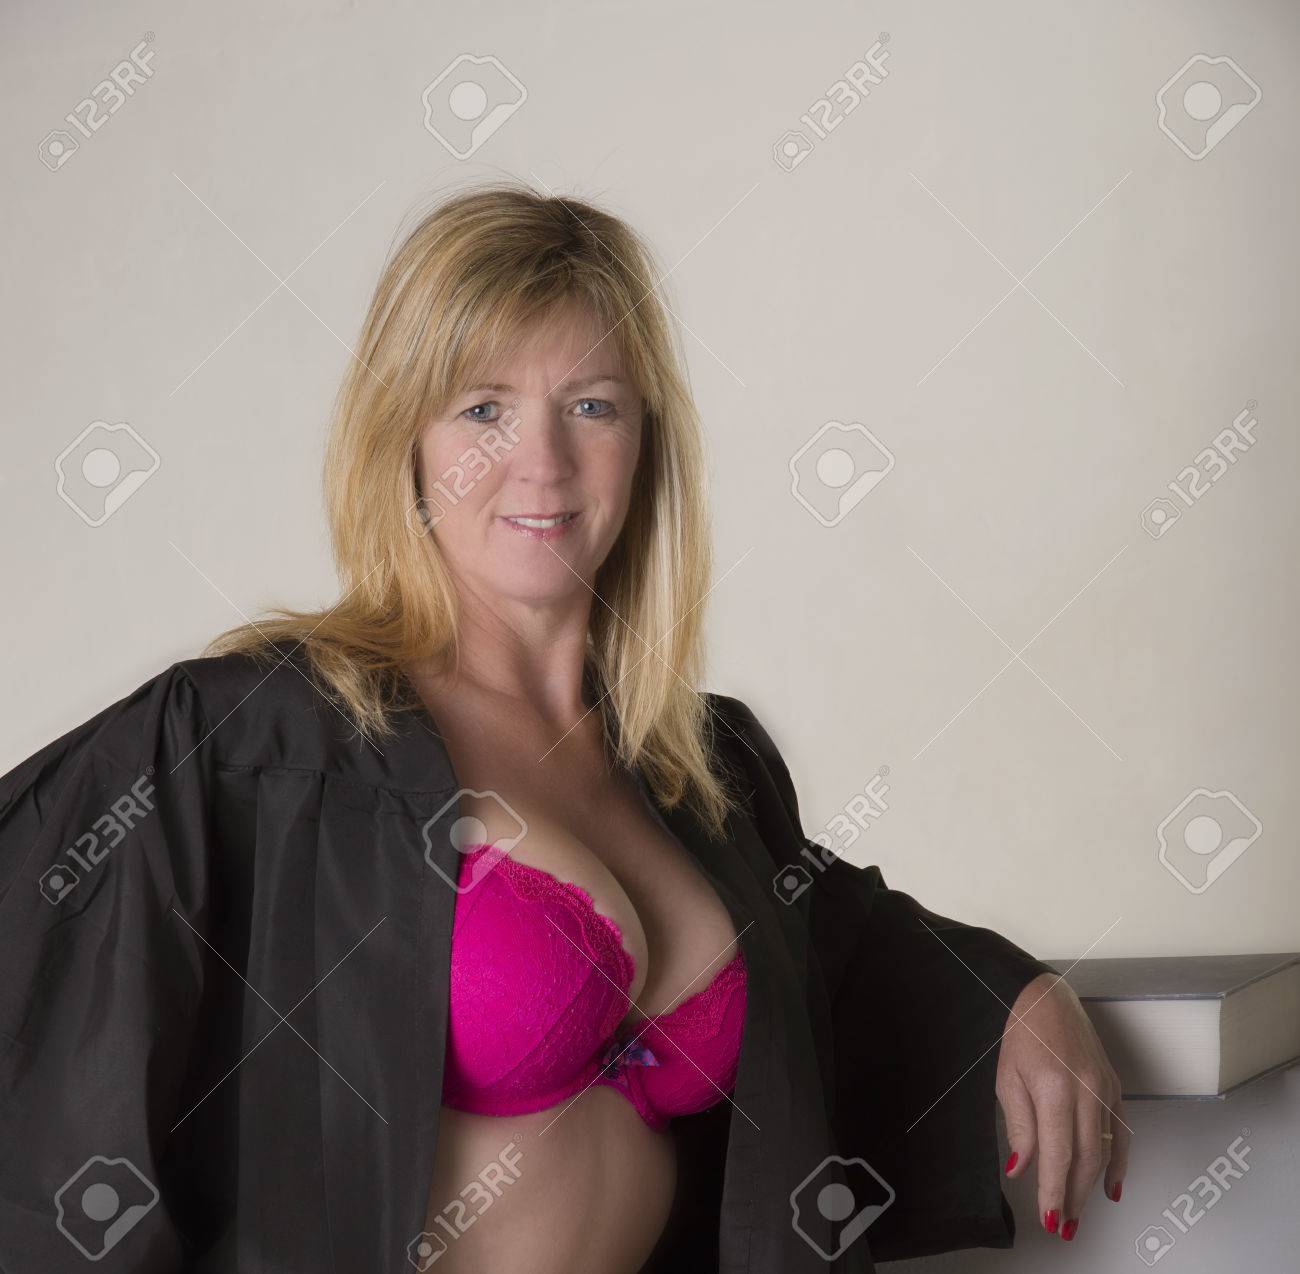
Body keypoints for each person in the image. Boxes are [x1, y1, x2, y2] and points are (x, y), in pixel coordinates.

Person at [0, 183, 1127, 1273]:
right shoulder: (256, 746)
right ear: (405, 439)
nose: (541, 462)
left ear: (644, 442)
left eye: (592, 405)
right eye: (482, 409)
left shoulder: (704, 766)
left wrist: (1017, 996)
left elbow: (834, 944)